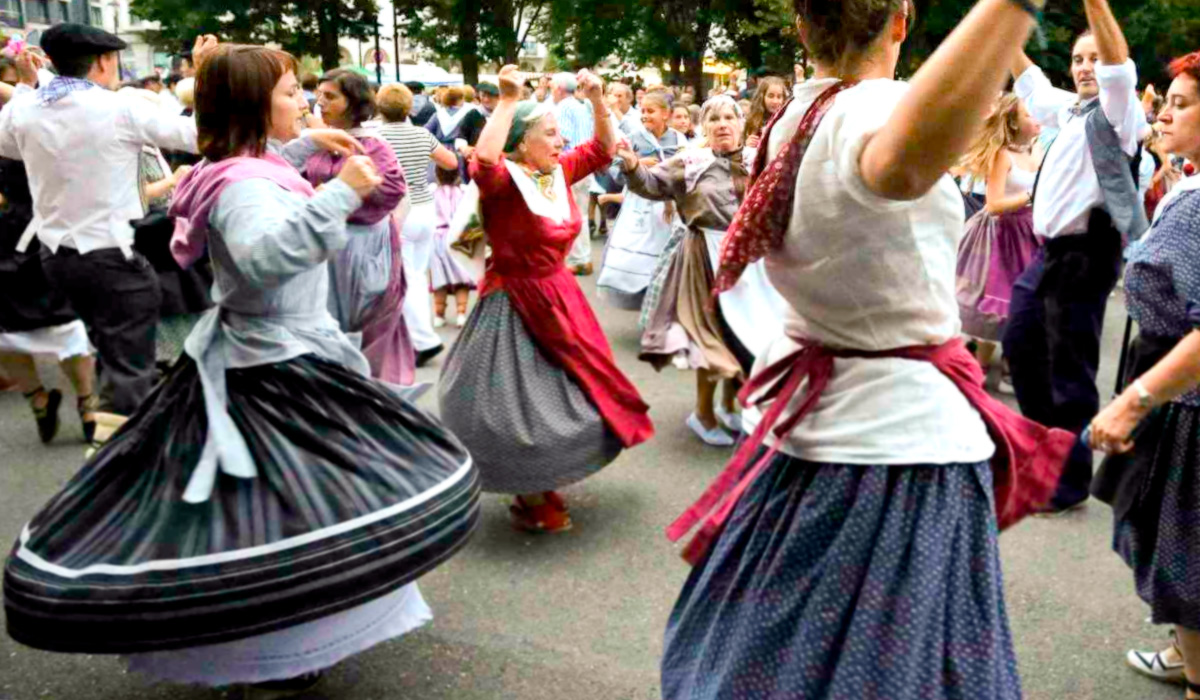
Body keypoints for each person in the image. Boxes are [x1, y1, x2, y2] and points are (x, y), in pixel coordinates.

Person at [3, 42, 480, 694]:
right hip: (273, 373)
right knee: (287, 522)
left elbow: (249, 179)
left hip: (261, 360)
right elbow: (261, 254)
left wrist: (301, 147)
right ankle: (275, 654)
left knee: (266, 518)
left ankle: (274, 645)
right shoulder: (247, 182)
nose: (303, 102)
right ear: (256, 104)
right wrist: (337, 194)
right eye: (289, 94)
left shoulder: (235, 166)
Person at [658, 0, 1075, 697]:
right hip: (892, 454)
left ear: (800, 28)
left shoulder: (800, 112)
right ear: (902, 22)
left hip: (815, 422)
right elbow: (900, 165)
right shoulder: (870, 108)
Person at [438, 65, 653, 534]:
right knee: (515, 403)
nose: (560, 142)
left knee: (575, 389)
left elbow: (601, 148)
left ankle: (541, 484)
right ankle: (534, 493)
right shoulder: (504, 181)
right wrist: (509, 100)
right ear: (520, 143)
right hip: (513, 300)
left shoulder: (557, 172)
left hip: (559, 296)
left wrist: (597, 100)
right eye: (550, 134)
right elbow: (485, 164)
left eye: (559, 134)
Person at [0, 24, 200, 417]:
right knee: (129, 370)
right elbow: (198, 137)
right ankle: (116, 461)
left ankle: (116, 447)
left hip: (58, 257)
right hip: (111, 255)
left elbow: (7, 143)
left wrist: (26, 86)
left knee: (114, 354)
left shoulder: (26, 108)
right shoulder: (119, 107)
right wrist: (203, 75)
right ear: (105, 62)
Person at [1002, 0, 1148, 515]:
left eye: (1092, 57)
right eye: (1077, 58)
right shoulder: (1068, 108)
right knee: (1020, 344)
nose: (1085, 66)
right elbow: (1029, 80)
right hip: (1048, 254)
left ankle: (1066, 483)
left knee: (1070, 372)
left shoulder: (1119, 109)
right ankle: (1046, 457)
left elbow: (1117, 68)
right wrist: (1001, 21)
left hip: (1087, 253)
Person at [1088, 50, 1200, 699]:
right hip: (1173, 391)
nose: (1163, 114)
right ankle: (1186, 652)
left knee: (1185, 565)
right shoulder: (1186, 187)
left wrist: (1133, 402)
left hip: (1184, 400)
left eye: (1180, 104)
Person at [619, 95, 786, 447]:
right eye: (713, 119)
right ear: (704, 127)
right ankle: (703, 413)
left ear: (742, 124)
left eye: (729, 117)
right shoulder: (691, 161)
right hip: (704, 256)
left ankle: (728, 404)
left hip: (750, 261)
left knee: (745, 336)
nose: (722, 124)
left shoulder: (760, 159)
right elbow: (650, 185)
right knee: (710, 337)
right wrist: (633, 165)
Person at [0, 57, 97, 445]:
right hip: (4, 238)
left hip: (43, 232)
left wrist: (25, 84)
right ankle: (38, 397)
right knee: (4, 333)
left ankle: (87, 402)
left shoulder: (30, 115)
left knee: (64, 322)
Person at [309, 69, 414, 385]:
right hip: (326, 245)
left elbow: (392, 189)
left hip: (363, 247)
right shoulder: (320, 140)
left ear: (353, 102)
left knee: (365, 326)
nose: (320, 102)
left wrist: (342, 193)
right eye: (320, 95)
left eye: (331, 96)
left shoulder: (372, 144)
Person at [955, 93, 1042, 372]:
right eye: (1029, 115)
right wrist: (1032, 194)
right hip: (1001, 235)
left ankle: (1008, 363)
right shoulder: (1003, 156)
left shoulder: (1033, 152)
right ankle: (977, 369)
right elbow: (994, 205)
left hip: (1029, 232)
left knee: (1025, 301)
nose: (1036, 119)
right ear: (1014, 124)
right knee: (993, 304)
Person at [376, 82, 460, 365]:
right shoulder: (422, 134)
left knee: (403, 276)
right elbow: (450, 163)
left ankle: (422, 339)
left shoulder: (377, 135)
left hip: (397, 209)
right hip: (425, 209)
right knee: (415, 274)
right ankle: (415, 336)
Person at [597, 90, 687, 310]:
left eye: (651, 111)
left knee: (665, 251)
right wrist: (637, 164)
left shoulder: (678, 139)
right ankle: (638, 292)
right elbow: (616, 170)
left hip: (668, 205)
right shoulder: (634, 138)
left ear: (666, 114)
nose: (645, 115)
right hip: (639, 202)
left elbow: (684, 170)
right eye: (643, 111)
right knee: (636, 250)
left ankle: (662, 298)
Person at [552, 71, 597, 275]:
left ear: (559, 89)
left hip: (571, 165)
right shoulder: (581, 106)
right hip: (585, 165)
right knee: (580, 212)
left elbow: (564, 138)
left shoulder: (563, 107)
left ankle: (577, 259)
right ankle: (583, 258)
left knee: (570, 213)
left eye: (553, 87)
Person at [430, 166, 477, 327]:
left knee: (439, 279)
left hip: (438, 239)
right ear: (458, 174)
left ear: (437, 175)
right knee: (462, 280)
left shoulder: (432, 193)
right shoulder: (464, 192)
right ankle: (461, 314)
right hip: (460, 237)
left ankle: (439, 315)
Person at [742, 75, 789, 149]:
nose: (775, 101)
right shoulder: (752, 120)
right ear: (762, 96)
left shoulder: (787, 120)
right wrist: (746, 144)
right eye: (771, 96)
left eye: (779, 97)